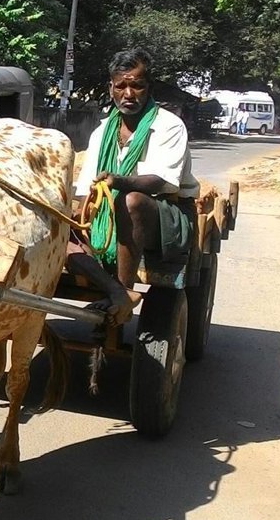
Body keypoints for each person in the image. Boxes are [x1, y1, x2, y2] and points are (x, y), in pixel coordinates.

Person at [66, 47, 200, 325]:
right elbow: (86, 191)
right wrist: (74, 219)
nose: (129, 94)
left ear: (148, 87)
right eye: (121, 86)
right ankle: (115, 291)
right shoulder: (102, 131)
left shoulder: (169, 126)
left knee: (131, 200)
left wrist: (119, 181)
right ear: (111, 88)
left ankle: (124, 286)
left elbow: (161, 181)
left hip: (164, 214)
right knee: (57, 226)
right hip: (108, 213)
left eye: (137, 86)